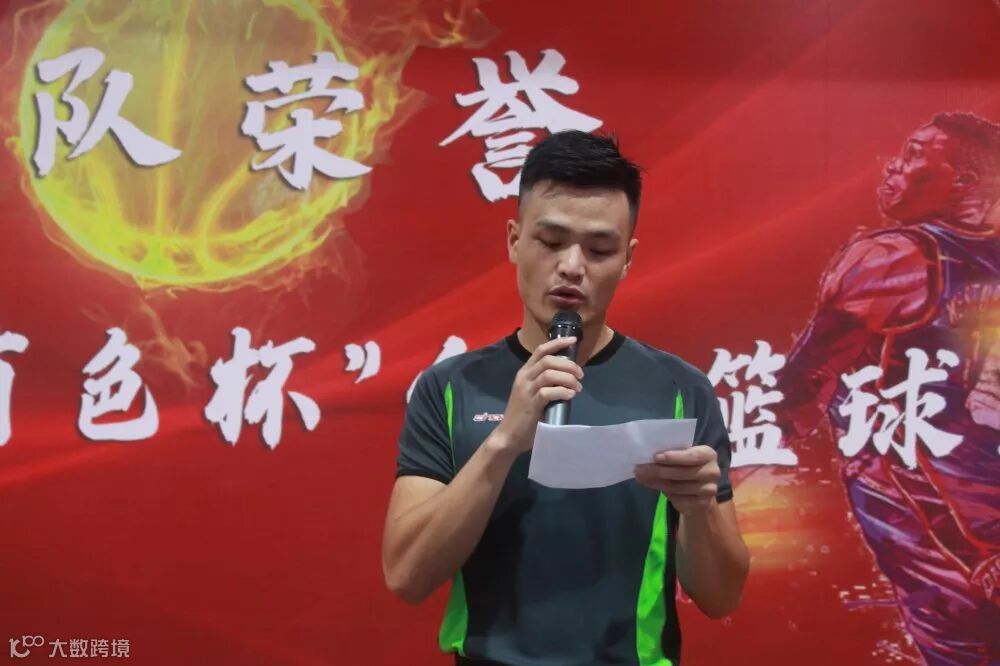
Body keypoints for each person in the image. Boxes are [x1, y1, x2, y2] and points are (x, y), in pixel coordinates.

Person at [382, 130, 750, 665]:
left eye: (599, 249)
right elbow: (406, 575)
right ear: (514, 240)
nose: (573, 266)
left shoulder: (680, 390)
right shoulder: (451, 387)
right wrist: (504, 440)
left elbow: (722, 597)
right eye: (551, 242)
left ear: (627, 259)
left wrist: (699, 511)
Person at [776, 112, 1000, 665]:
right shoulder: (905, 256)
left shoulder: (892, 260)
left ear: (964, 182)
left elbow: (800, 388)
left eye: (914, 156)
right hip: (950, 528)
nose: (892, 167)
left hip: (939, 527)